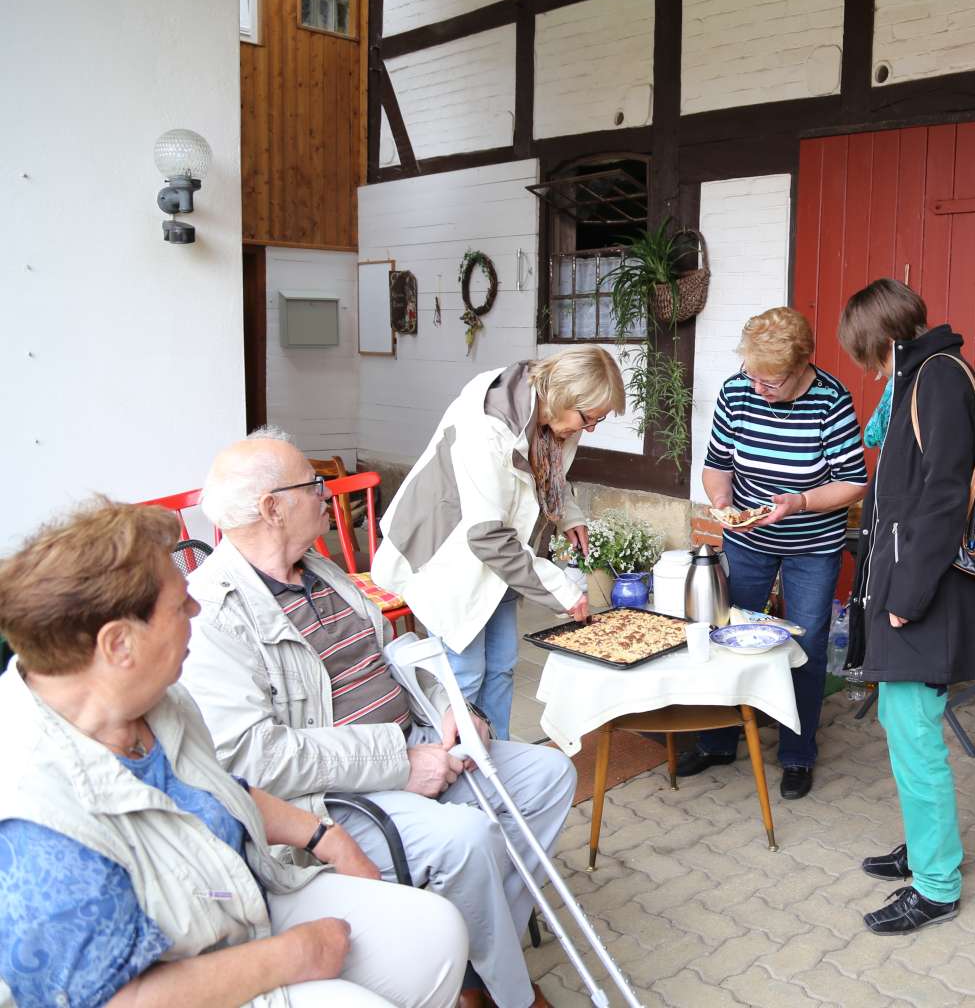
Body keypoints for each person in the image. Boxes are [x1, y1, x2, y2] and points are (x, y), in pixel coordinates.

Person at [0, 499, 469, 1008]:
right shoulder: (32, 816)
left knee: (434, 930)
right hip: (169, 973)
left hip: (227, 898)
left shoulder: (155, 698)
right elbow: (111, 1000)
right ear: (119, 645)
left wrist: (327, 836)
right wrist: (292, 956)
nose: (197, 611)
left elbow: (217, 789)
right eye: (181, 605)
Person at [181, 430, 578, 1008]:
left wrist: (451, 709)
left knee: (547, 775)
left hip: (416, 739)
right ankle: (502, 993)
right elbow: (254, 757)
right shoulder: (214, 612)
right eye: (311, 485)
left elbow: (394, 652)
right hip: (335, 795)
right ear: (272, 508)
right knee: (465, 839)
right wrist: (400, 763)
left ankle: (475, 962)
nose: (326, 494)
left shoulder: (318, 567)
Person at [836, 278, 975, 934]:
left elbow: (942, 495)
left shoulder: (937, 376)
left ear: (882, 340)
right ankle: (924, 844)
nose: (867, 370)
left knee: (913, 730)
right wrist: (894, 376)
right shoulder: (923, 375)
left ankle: (938, 886)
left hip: (927, 591)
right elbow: (883, 440)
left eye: (869, 356)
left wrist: (905, 598)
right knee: (898, 717)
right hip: (913, 582)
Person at [372, 348, 626, 739]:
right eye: (587, 418)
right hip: (450, 551)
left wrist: (569, 515)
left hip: (504, 552)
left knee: (503, 664)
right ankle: (460, 775)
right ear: (560, 396)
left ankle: (501, 760)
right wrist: (560, 590)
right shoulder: (488, 426)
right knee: (465, 674)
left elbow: (549, 477)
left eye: (599, 420)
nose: (589, 428)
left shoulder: (551, 417)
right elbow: (486, 535)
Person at [684, 307, 869, 799]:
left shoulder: (831, 399)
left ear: (804, 362)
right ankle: (718, 737)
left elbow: (853, 482)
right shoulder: (736, 390)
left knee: (804, 647)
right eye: (755, 377)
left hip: (813, 544)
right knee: (730, 635)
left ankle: (797, 752)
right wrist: (722, 501)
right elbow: (717, 464)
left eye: (774, 382)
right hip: (748, 539)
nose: (760, 389)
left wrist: (801, 502)